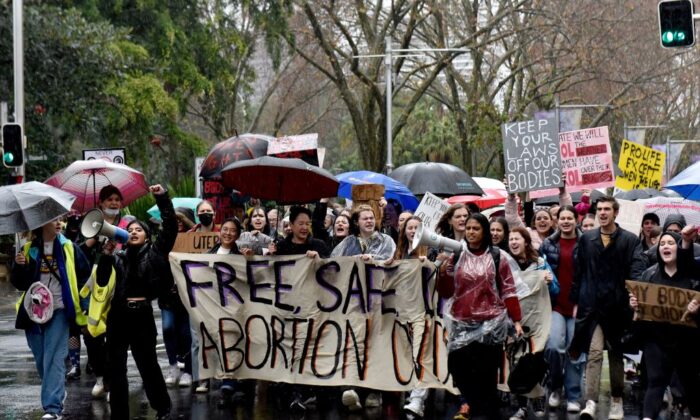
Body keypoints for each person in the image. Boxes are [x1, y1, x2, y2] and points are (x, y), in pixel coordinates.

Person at [437, 213, 523, 420]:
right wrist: (443, 273)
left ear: (484, 231)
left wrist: (517, 320)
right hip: (462, 323)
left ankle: (485, 413)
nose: (471, 232)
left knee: (486, 375)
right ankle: (473, 405)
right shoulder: (456, 256)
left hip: (490, 324)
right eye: (468, 229)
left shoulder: (497, 256)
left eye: (475, 229)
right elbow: (446, 292)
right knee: (458, 368)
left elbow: (509, 290)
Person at [569, 196, 646, 420]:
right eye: (599, 209)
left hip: (617, 307)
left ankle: (616, 400)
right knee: (593, 353)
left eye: (606, 209)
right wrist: (576, 302)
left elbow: (636, 271)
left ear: (615, 212)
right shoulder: (587, 239)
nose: (602, 213)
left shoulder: (630, 240)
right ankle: (590, 401)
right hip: (591, 306)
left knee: (615, 354)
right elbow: (578, 271)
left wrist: (634, 299)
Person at [104, 184, 176, 420]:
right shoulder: (118, 256)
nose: (134, 232)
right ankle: (119, 414)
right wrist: (105, 255)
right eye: (130, 230)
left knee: (148, 367)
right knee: (116, 369)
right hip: (118, 316)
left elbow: (171, 227)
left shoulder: (155, 252)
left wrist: (162, 198)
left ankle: (163, 408)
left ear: (147, 235)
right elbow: (103, 280)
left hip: (142, 316)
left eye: (139, 230)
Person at [12, 217, 92, 420]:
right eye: (52, 220)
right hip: (34, 312)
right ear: (40, 223)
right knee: (41, 359)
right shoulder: (29, 249)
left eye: (60, 220)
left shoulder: (69, 248)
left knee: (54, 356)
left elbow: (85, 276)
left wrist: (85, 307)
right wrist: (19, 266)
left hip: (59, 310)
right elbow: (20, 284)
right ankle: (56, 390)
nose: (59, 224)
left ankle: (52, 408)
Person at [629, 228, 700, 420]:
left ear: (679, 248)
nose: (665, 247)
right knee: (655, 381)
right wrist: (635, 305)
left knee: (690, 383)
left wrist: (697, 308)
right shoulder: (649, 275)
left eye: (670, 243)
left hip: (686, 340)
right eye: (662, 244)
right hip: (656, 339)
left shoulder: (693, 276)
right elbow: (639, 313)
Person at [331, 204, 395, 411]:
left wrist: (372, 261)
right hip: (352, 302)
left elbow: (392, 262)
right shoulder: (348, 243)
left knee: (375, 346)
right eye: (364, 218)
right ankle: (352, 390)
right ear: (356, 222)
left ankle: (373, 391)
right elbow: (333, 264)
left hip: (378, 302)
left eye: (372, 218)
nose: (369, 221)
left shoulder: (386, 241)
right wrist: (354, 260)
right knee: (352, 345)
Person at [269, 206, 331, 412]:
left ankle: (301, 391)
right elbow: (269, 275)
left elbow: (334, 272)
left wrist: (319, 261)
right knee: (289, 348)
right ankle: (294, 391)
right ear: (291, 225)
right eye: (301, 223)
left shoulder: (319, 245)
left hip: (312, 308)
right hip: (286, 309)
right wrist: (270, 257)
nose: (305, 227)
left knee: (305, 349)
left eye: (308, 224)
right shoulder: (281, 247)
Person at [77, 185, 135, 398]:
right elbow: (77, 254)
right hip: (94, 287)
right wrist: (93, 237)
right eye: (109, 199)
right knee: (91, 335)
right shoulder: (91, 224)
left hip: (120, 287)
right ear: (100, 203)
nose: (113, 203)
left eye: (117, 199)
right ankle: (101, 376)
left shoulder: (128, 224)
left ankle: (114, 382)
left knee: (116, 337)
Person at [506, 226, 558, 419]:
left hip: (537, 320)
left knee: (533, 358)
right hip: (515, 319)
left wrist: (550, 281)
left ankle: (537, 395)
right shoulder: (506, 265)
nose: (513, 242)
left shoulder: (540, 263)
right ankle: (522, 406)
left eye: (517, 239)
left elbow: (555, 291)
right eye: (510, 239)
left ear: (526, 241)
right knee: (516, 360)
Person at [539, 205, 585, 413]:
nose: (566, 221)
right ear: (557, 221)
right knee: (554, 347)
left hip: (579, 306)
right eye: (562, 218)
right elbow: (538, 267)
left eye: (570, 218)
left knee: (575, 352)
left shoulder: (587, 242)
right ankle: (556, 387)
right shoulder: (548, 244)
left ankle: (574, 394)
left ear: (577, 220)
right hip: (555, 304)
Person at [505, 185, 571, 250]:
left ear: (551, 222)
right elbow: (512, 219)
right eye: (538, 219)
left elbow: (568, 214)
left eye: (545, 218)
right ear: (534, 223)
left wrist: (563, 192)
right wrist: (511, 198)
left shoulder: (559, 235)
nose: (542, 220)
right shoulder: (527, 235)